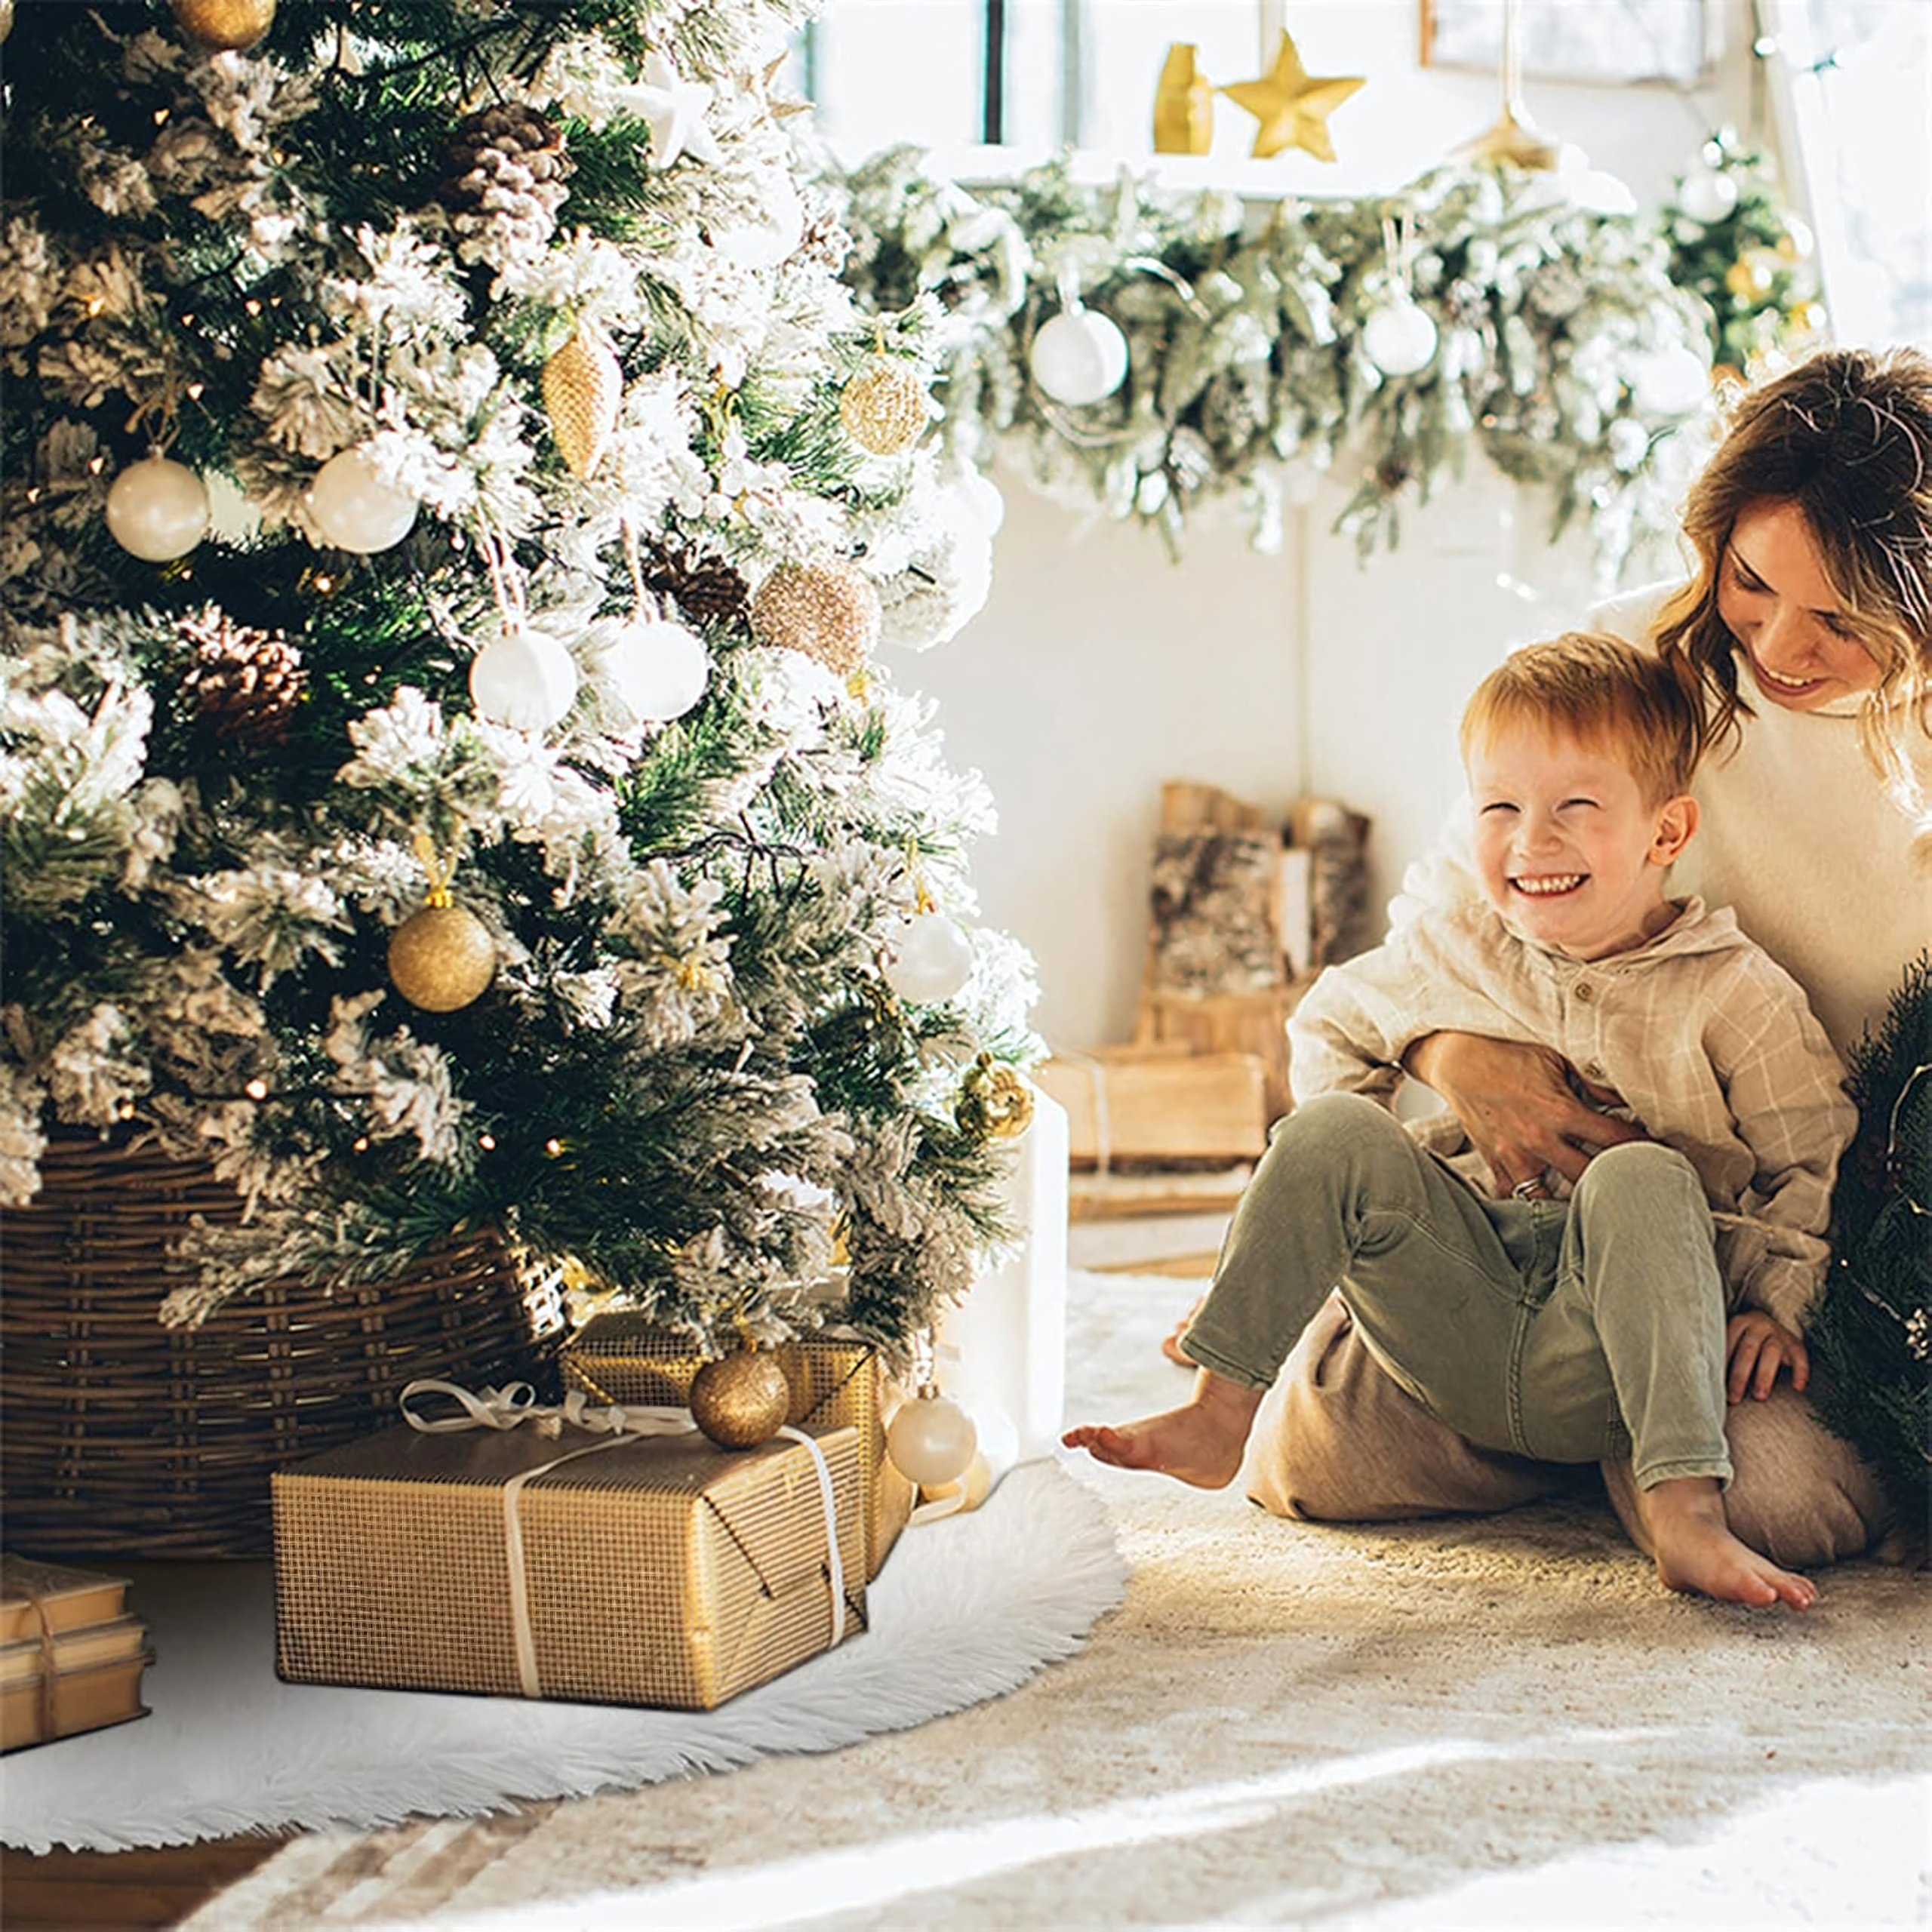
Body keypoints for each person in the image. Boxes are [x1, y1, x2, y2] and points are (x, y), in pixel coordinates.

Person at [1228, 346, 1932, 1567]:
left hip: (1784, 1226)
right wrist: (1454, 1054)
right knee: (1315, 1458)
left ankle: (1626, 1437)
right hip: (1543, 1219)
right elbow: (1446, 919)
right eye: (1750, 581)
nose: (1778, 643)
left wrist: (1784, 1299)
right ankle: (1592, 1419)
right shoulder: (1629, 659)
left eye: (1841, 620)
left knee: (1777, 1497)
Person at [1071, 632, 1857, 1608]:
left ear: (1666, 833)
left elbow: (1810, 1151)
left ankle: (1683, 1508)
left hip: (1626, 1338)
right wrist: (1334, 1215)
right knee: (1327, 1138)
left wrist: (1776, 1306)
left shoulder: (1731, 991)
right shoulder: (1456, 951)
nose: (1532, 841)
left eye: (1577, 808)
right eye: (1500, 808)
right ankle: (1216, 1408)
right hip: (1467, 1294)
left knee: (1644, 1177)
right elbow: (1327, 1031)